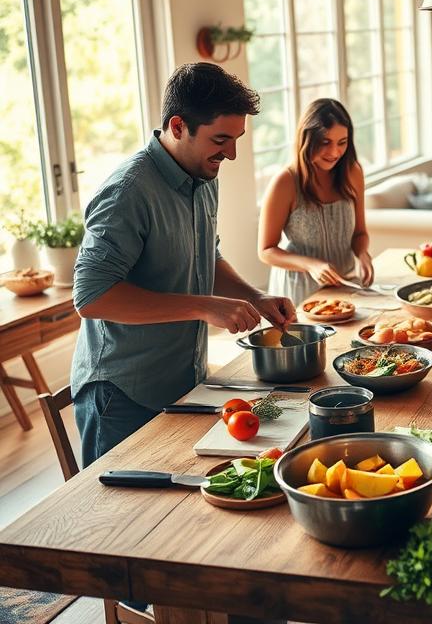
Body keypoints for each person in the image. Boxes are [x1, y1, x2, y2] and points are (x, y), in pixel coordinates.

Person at [72, 62, 297, 468]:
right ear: (178, 127)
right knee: (116, 526)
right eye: (221, 139)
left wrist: (256, 297)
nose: (230, 153)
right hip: (122, 396)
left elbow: (205, 257)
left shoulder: (203, 174)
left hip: (184, 382)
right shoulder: (128, 192)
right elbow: (91, 296)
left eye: (237, 139)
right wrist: (203, 305)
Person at [258, 98, 373, 305]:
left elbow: (360, 233)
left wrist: (362, 254)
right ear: (307, 139)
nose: (335, 152)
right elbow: (266, 251)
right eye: (325, 142)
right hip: (299, 293)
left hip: (345, 286)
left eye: (342, 142)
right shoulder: (285, 182)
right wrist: (311, 265)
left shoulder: (353, 172)